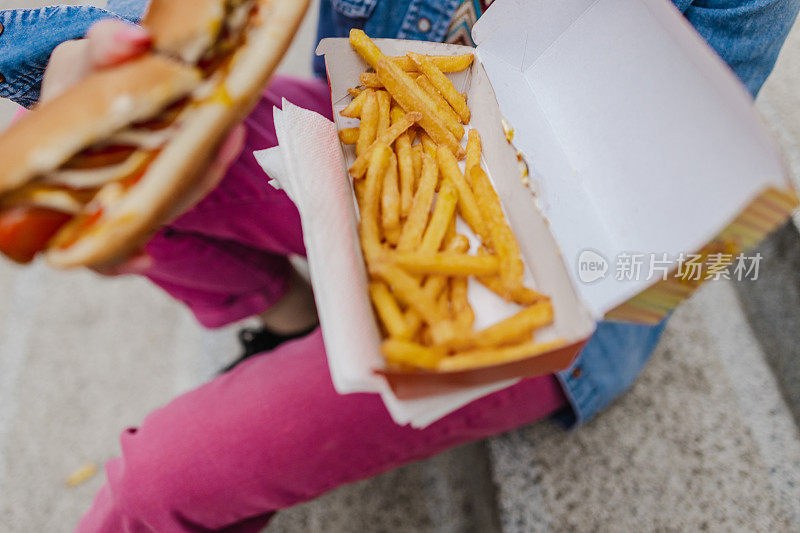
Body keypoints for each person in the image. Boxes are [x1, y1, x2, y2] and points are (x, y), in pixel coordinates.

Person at [0, 1, 798, 531]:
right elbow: (188, 24)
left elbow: (685, 211)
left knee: (151, 486)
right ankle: (287, 314)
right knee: (129, 162)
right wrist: (65, 56)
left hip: (560, 305)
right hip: (370, 119)